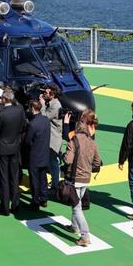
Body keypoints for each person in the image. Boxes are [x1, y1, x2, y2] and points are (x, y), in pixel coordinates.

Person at [63, 110, 102, 246]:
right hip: (86, 178)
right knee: (76, 202)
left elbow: (68, 160)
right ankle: (74, 227)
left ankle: (85, 235)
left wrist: (64, 155)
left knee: (76, 207)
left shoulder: (74, 140)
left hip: (75, 178)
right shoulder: (92, 142)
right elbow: (98, 162)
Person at [0, 88, 25, 215]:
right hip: (15, 146)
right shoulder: (19, 110)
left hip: (3, 148)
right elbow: (23, 126)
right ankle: (15, 205)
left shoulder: (2, 114)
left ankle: (5, 207)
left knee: (4, 178)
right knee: (14, 176)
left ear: (4, 99)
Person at [24, 100, 50, 210]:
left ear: (33, 109)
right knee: (43, 178)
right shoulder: (46, 120)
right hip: (44, 154)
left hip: (34, 156)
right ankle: (43, 198)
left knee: (34, 180)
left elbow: (27, 141)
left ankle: (35, 201)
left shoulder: (32, 124)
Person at [41, 86, 64, 193]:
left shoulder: (55, 106)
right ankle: (55, 183)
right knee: (53, 162)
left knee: (53, 162)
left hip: (53, 138)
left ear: (52, 94)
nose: (44, 93)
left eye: (47, 92)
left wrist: (41, 105)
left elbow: (44, 117)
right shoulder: (52, 103)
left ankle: (55, 185)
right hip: (51, 137)